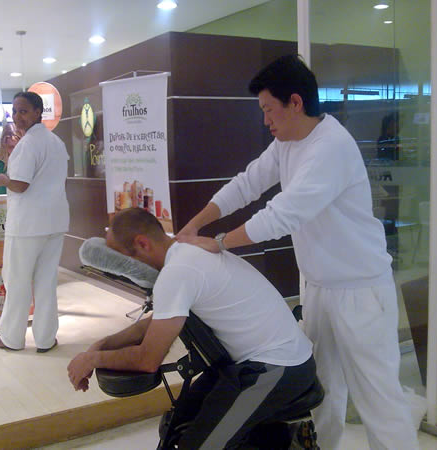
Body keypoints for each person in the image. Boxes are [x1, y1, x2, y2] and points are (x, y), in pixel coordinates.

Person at [176, 54, 419, 450]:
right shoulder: (286, 142)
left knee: (379, 398)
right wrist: (196, 224)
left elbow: (282, 215)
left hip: (359, 291)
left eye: (268, 109)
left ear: (295, 102)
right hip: (319, 287)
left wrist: (217, 243)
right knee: (321, 391)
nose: (265, 121)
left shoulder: (331, 147)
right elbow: (247, 183)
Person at [68, 207, 316, 449]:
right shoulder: (187, 253)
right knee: (178, 423)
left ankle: (289, 439)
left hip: (278, 367)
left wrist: (93, 359)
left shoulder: (177, 272)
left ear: (142, 244)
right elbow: (156, 322)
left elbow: (147, 360)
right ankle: (281, 437)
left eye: (122, 258)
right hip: (255, 363)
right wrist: (101, 345)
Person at [0, 91, 69, 352]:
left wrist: (3, 179)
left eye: (23, 111)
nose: (17, 117)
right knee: (46, 281)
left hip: (27, 225)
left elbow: (20, 185)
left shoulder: (28, 145)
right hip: (54, 222)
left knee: (17, 281)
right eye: (14, 111)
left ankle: (11, 338)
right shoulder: (56, 142)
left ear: (38, 112)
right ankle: (46, 338)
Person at [0, 123, 22, 195]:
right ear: (4, 146)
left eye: (17, 146)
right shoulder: (1, 166)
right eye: (11, 147)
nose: (15, 150)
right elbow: (2, 195)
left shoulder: (24, 161)